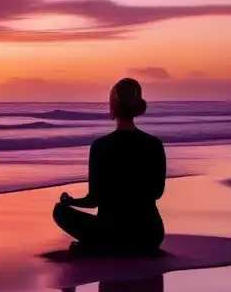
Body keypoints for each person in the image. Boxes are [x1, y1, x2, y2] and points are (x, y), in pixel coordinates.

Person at [52, 78, 166, 256]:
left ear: (113, 106)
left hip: (113, 233)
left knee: (60, 211)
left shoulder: (101, 147)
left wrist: (71, 201)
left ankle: (97, 246)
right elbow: (157, 192)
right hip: (149, 235)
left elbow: (94, 200)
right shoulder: (154, 144)